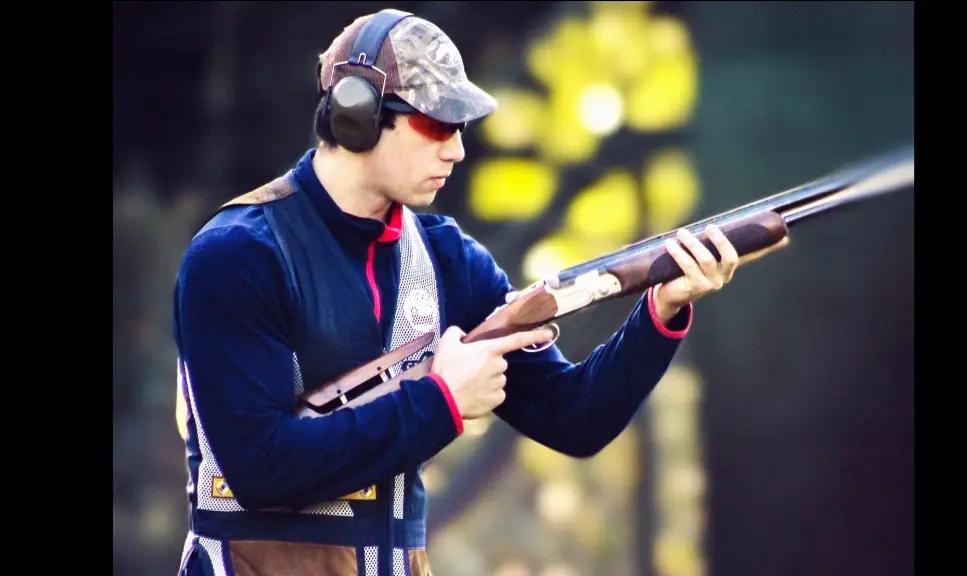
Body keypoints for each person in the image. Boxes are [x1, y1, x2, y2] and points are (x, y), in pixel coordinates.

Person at [173, 9, 775, 576]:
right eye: (436, 124)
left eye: (458, 127)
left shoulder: (445, 258)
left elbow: (575, 419)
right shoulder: (239, 255)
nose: (456, 149)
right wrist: (442, 402)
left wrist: (661, 312)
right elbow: (260, 467)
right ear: (356, 115)